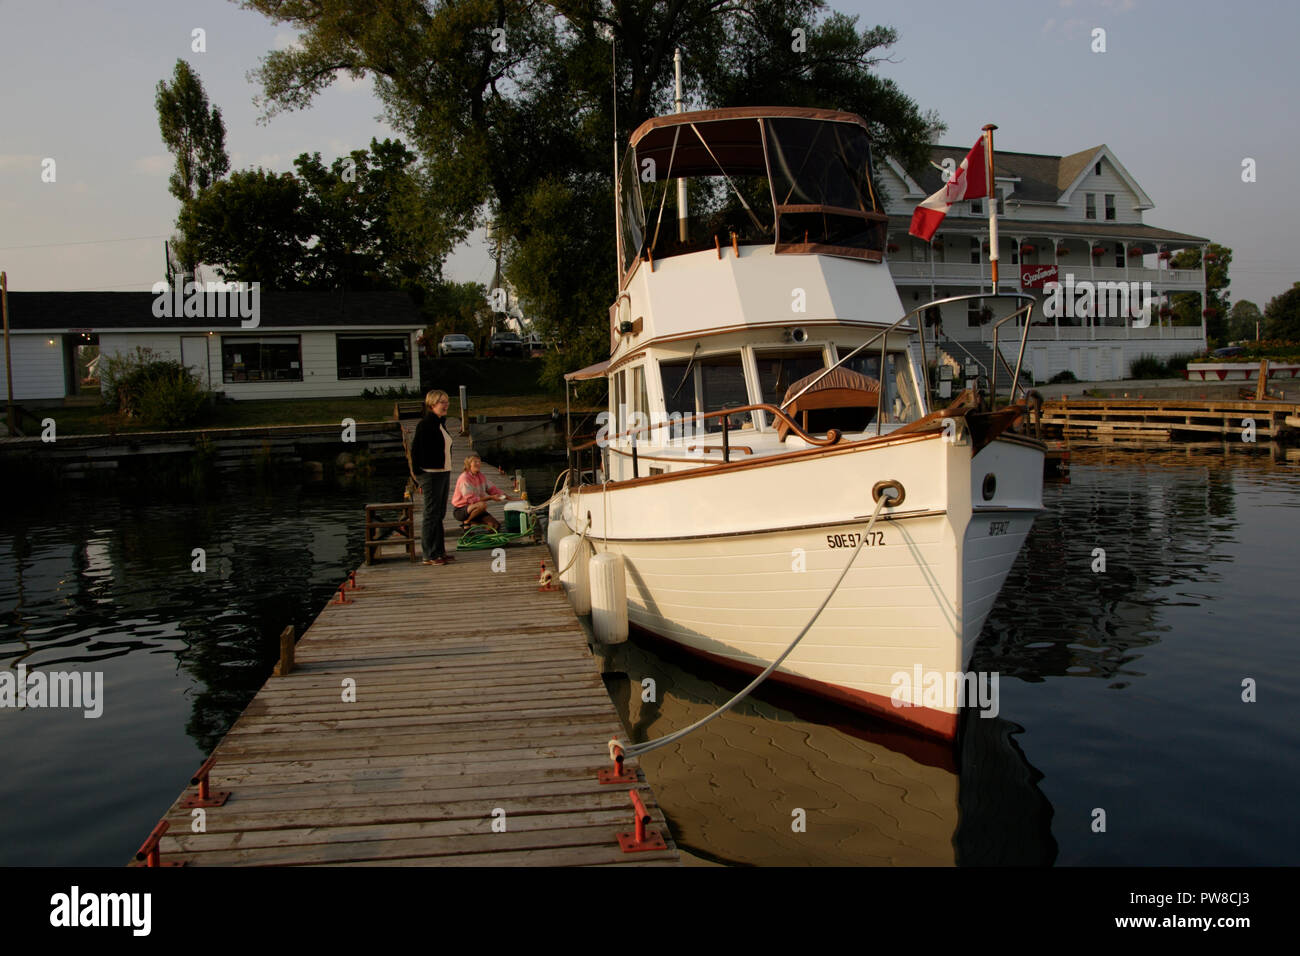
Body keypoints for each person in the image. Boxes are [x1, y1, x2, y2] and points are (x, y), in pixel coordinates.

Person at [409, 389, 456, 565]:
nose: (446, 405)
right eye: (442, 402)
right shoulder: (425, 425)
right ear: (432, 404)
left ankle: (439, 551)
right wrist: (418, 474)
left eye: (447, 401)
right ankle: (428, 554)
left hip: (443, 471)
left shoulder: (440, 423)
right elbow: (415, 451)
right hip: (430, 474)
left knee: (440, 513)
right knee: (431, 513)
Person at [453, 454, 509, 531]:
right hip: (461, 510)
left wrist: (506, 496)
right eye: (475, 462)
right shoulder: (464, 478)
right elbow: (471, 499)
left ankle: (474, 522)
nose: (478, 464)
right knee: (482, 505)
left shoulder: (480, 476)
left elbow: (492, 489)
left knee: (495, 526)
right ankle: (467, 521)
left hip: (477, 508)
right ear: (469, 464)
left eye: (479, 462)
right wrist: (491, 497)